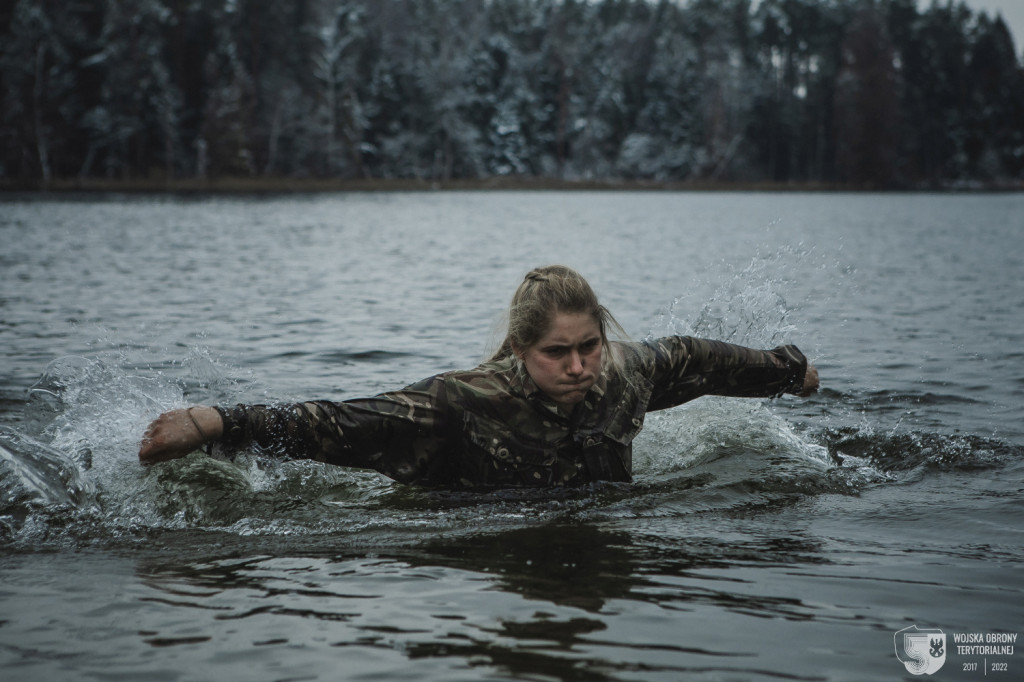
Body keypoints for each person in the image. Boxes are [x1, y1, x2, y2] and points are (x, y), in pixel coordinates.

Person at [139, 265, 819, 488]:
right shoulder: (462, 400)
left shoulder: (623, 371)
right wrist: (214, 421)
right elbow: (342, 423)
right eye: (559, 352)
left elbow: (701, 360)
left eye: (590, 346)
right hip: (475, 513)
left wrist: (791, 372)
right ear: (521, 349)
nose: (580, 366)